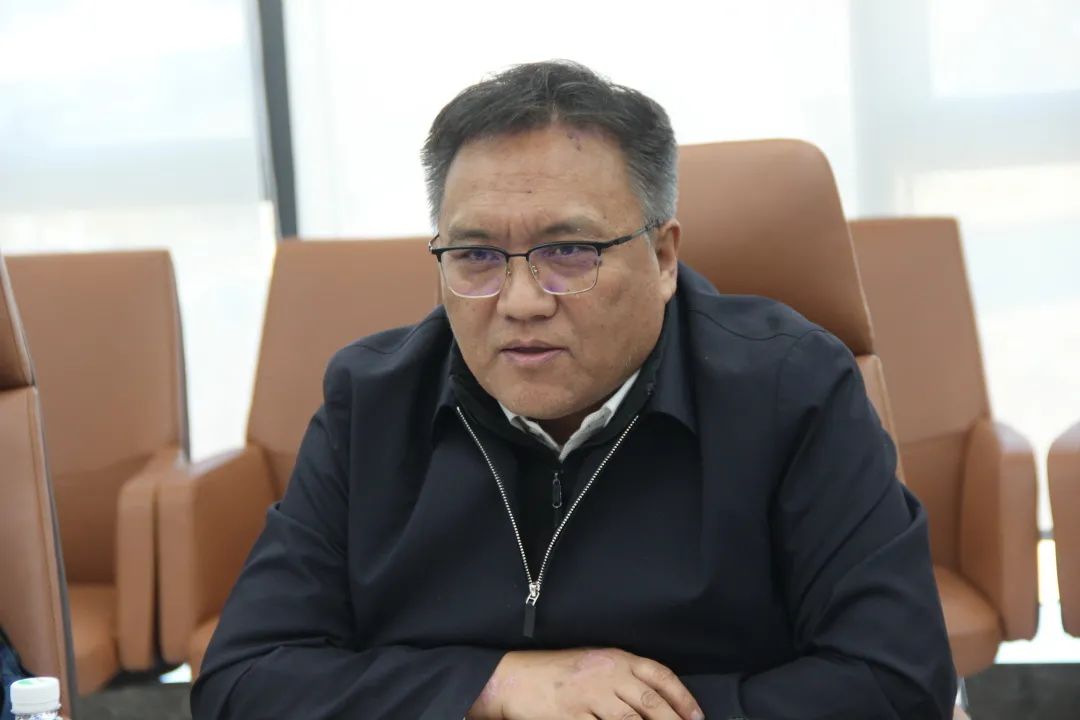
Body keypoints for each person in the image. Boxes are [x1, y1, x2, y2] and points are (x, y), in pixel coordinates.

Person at [191, 60, 956, 719]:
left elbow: (897, 681)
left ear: (663, 257)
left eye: (569, 251)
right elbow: (242, 680)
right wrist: (490, 686)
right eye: (477, 256)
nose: (521, 301)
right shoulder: (372, 400)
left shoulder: (793, 389)